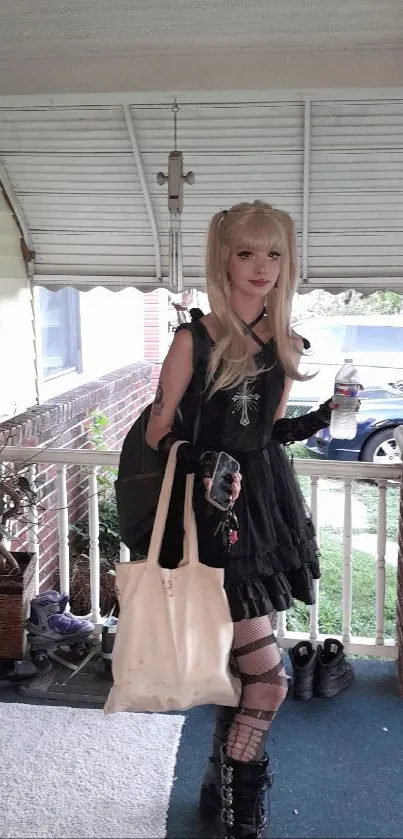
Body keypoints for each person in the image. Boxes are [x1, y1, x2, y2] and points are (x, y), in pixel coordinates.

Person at [145, 200, 333, 839]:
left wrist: (318, 419)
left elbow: (268, 431)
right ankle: (240, 817)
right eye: (247, 252)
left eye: (274, 254)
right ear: (223, 260)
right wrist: (204, 459)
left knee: (245, 673)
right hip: (211, 517)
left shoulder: (287, 342)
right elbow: (157, 431)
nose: (261, 267)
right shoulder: (192, 340)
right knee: (269, 681)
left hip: (266, 512)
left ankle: (216, 790)